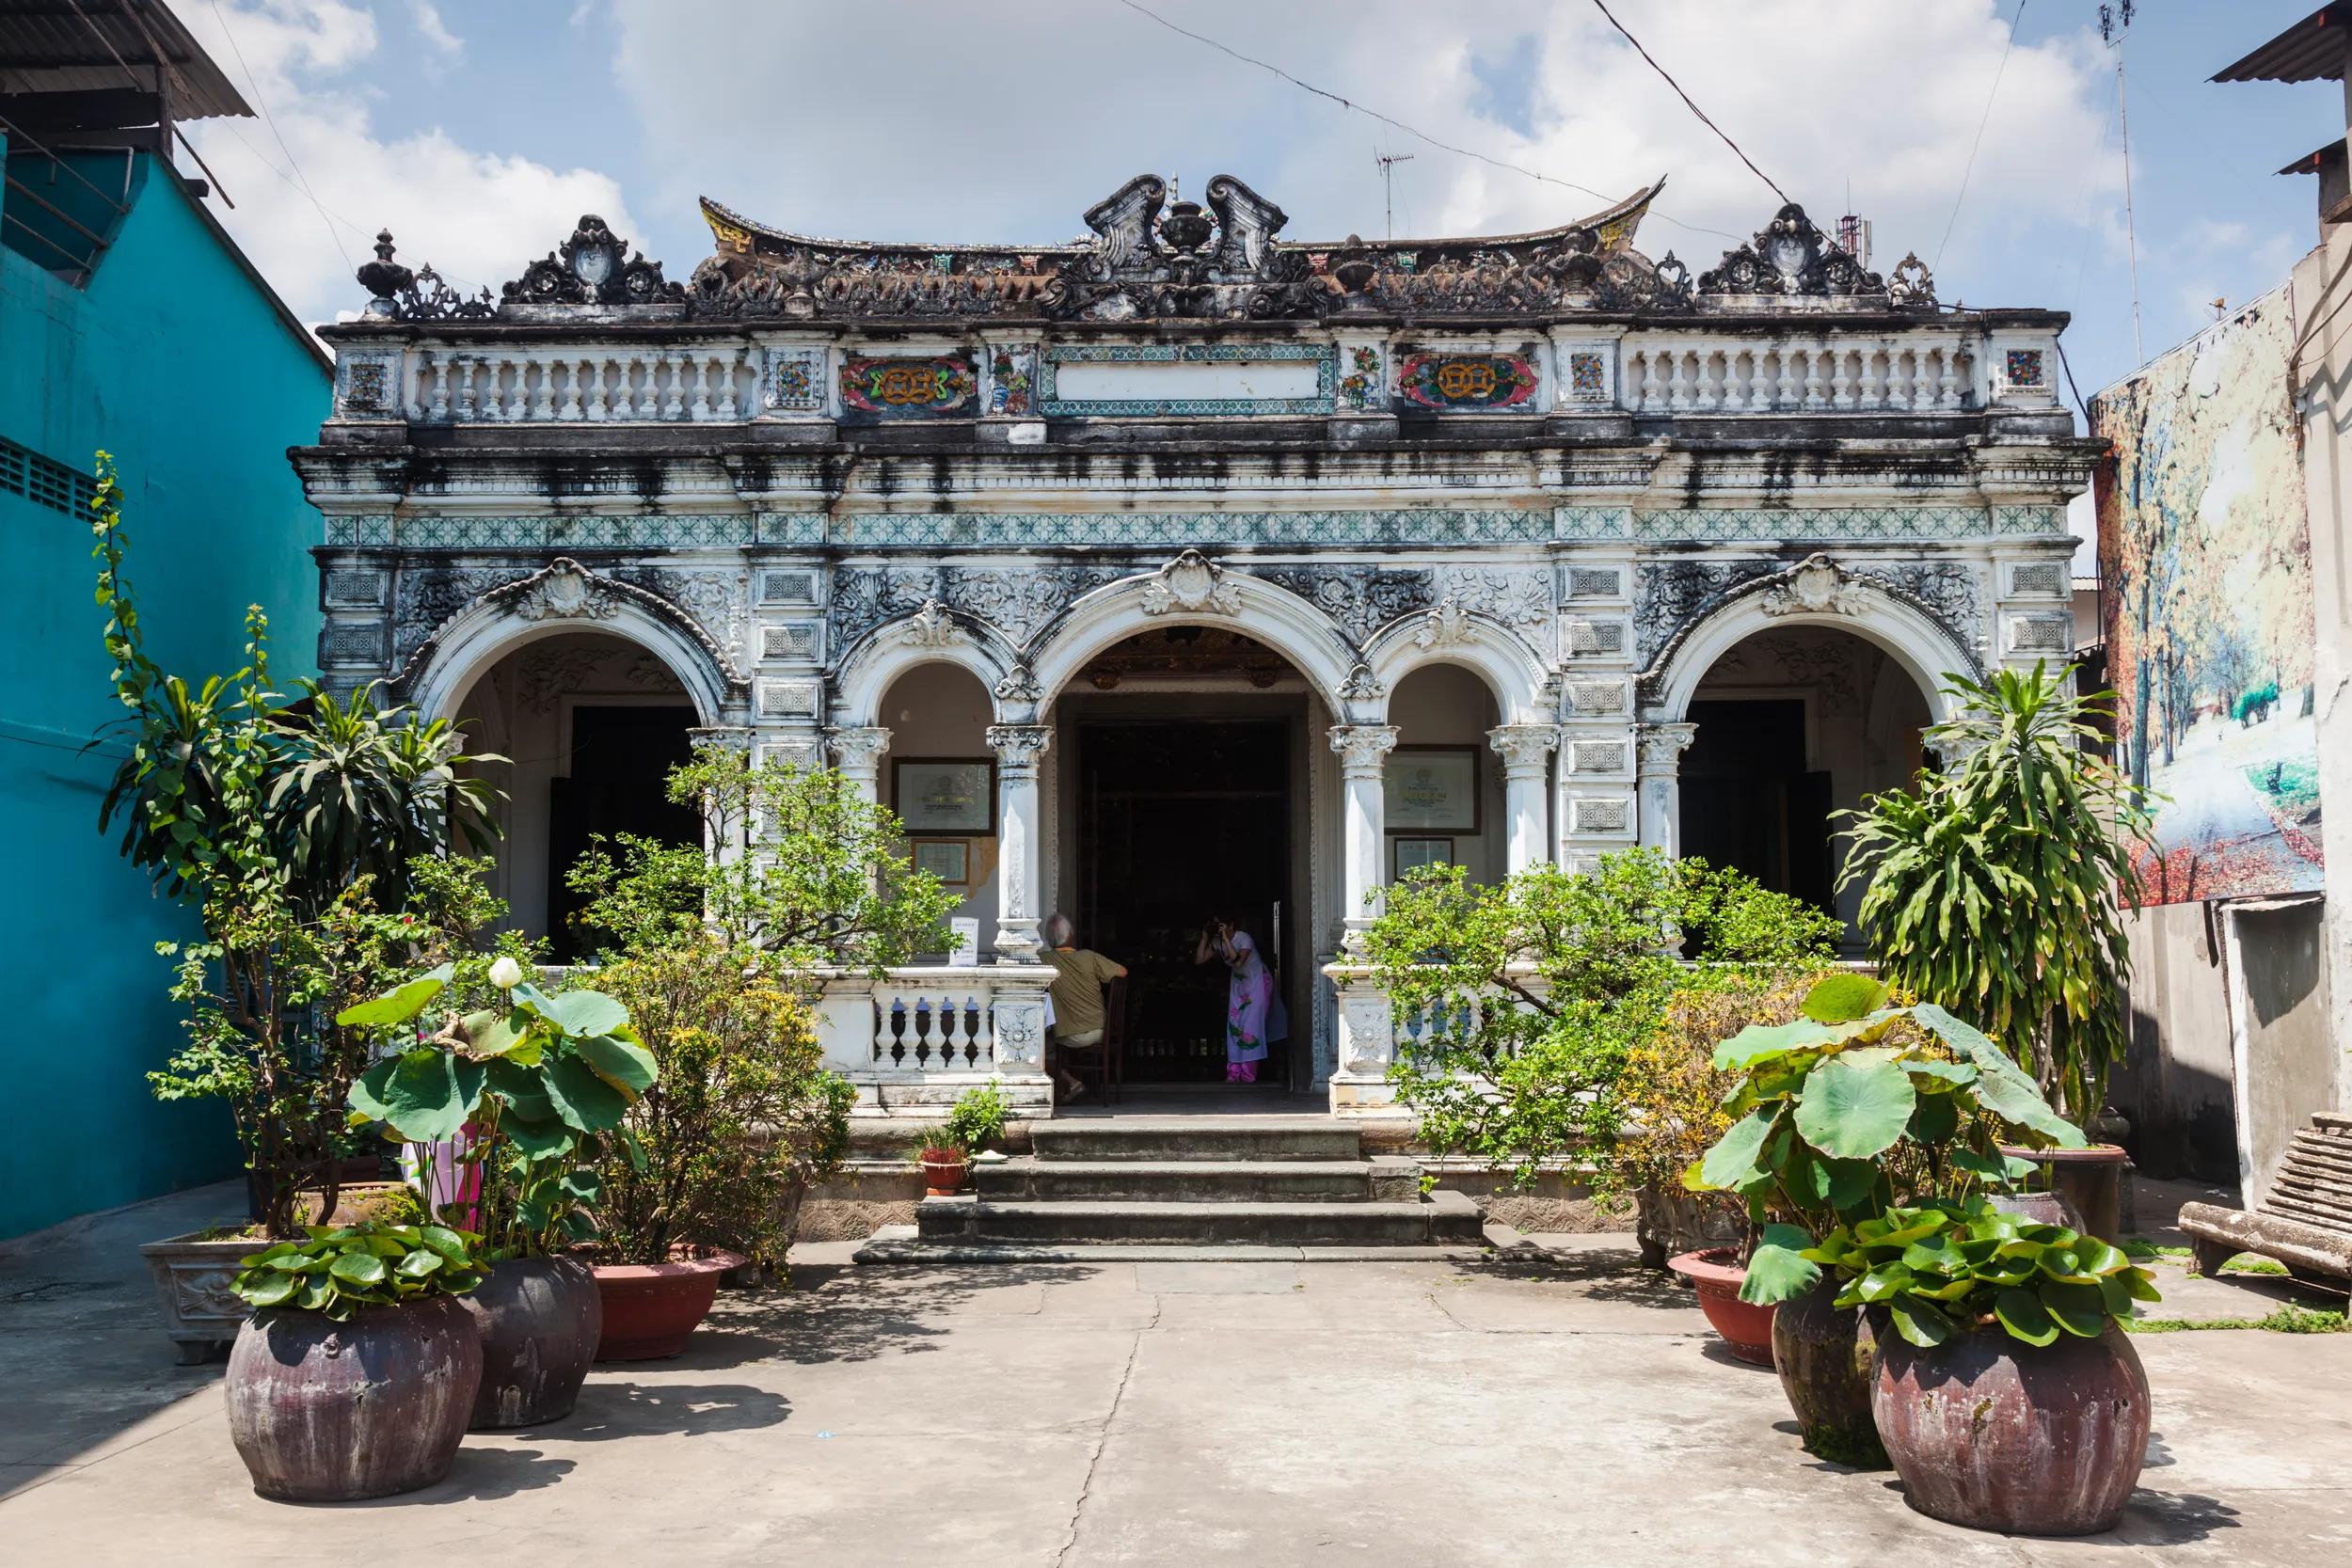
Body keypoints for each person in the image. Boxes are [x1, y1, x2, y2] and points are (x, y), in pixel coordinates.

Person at [1041, 912, 1126, 1102]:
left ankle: (1070, 1083)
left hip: (1071, 1034)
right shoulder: (1089, 957)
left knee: (1036, 1047)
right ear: (1071, 935)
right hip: (1102, 1030)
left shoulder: (1043, 960)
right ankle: (1069, 1086)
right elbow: (1122, 972)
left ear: (1048, 939)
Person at [1194, 914, 1287, 1084]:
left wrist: (1226, 940)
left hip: (1258, 982)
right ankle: (1233, 1072)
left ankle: (1248, 1074)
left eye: (1219, 924)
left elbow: (1238, 962)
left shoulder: (1244, 938)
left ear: (1231, 924)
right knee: (1234, 1026)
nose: (1217, 928)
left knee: (1251, 1027)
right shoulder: (1217, 943)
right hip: (1240, 986)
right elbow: (1199, 960)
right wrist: (1205, 937)